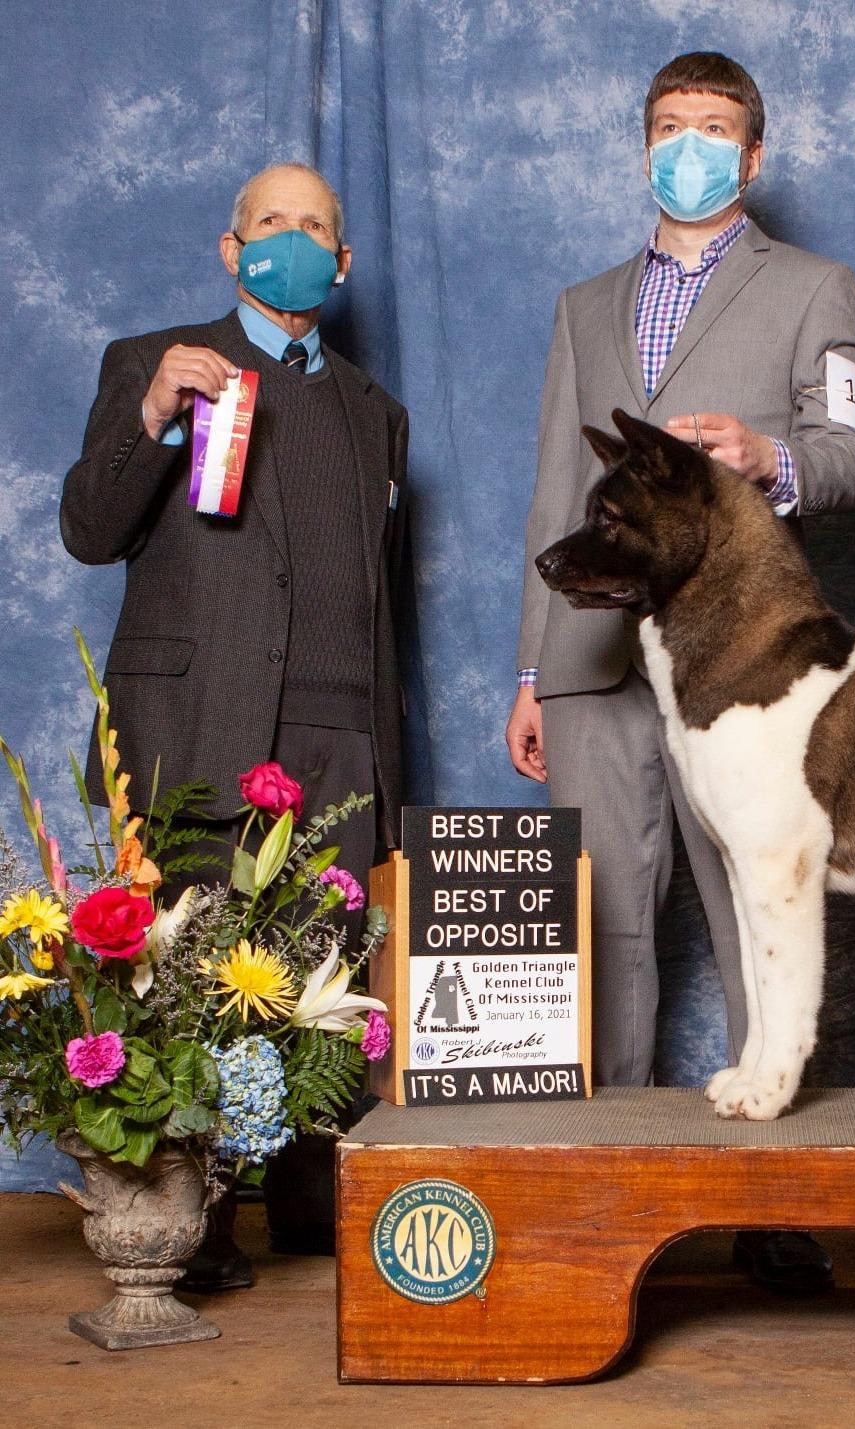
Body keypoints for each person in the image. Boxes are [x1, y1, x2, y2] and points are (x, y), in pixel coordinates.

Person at [507, 52, 855, 1293]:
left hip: (736, 654)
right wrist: (530, 669)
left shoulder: (815, 286)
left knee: (755, 907)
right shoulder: (584, 303)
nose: (690, 146)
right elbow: (558, 492)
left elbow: (849, 459)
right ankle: (617, 1196)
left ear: (753, 155)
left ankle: (772, 1199)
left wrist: (767, 455)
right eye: (670, 125)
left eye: (714, 128)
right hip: (594, 656)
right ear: (643, 144)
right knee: (608, 923)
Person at [60, 161, 411, 1288]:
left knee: (322, 981)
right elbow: (89, 531)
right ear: (232, 247)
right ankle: (188, 1218)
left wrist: (388, 762)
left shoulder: (374, 412)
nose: (290, 239)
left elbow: (383, 600)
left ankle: (311, 1206)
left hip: (338, 733)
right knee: (193, 978)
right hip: (200, 716)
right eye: (271, 222)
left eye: (313, 227)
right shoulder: (155, 364)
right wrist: (155, 418)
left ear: (340, 263)